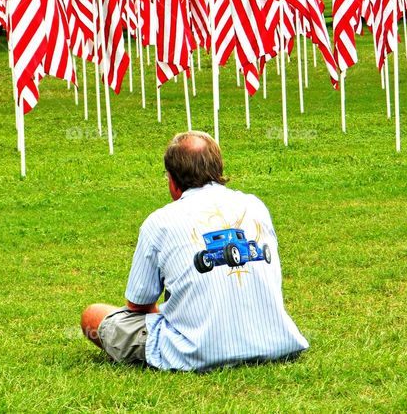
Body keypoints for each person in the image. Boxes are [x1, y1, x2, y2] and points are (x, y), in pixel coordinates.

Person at [81, 131, 309, 371]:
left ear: (172, 179)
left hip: (196, 352)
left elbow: (138, 306)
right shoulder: (255, 205)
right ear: (218, 167)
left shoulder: (160, 221)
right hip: (276, 342)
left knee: (93, 315)